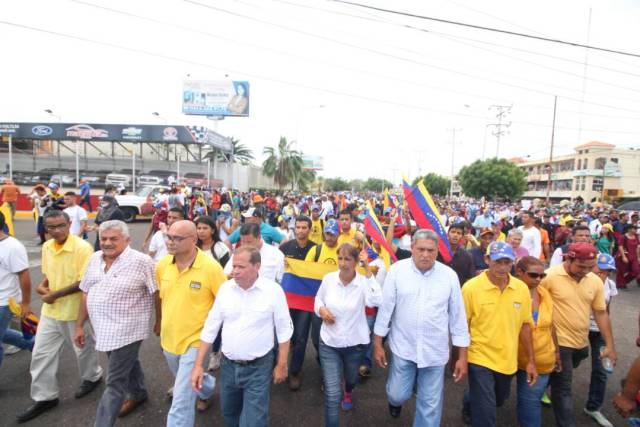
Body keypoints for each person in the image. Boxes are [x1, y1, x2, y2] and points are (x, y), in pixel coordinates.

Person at [374, 229, 470, 426]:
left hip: (434, 353)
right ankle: (396, 401)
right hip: (403, 348)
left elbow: (458, 319)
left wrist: (462, 357)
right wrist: (377, 344)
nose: (425, 255)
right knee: (397, 394)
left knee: (430, 407)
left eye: (430, 250)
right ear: (412, 248)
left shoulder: (449, 276)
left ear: (437, 251)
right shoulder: (397, 271)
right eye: (421, 249)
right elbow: (385, 311)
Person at [17, 210, 103, 423]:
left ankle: (92, 377)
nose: (56, 231)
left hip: (76, 312)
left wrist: (54, 294)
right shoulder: (47, 246)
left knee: (83, 351)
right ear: (45, 228)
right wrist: (43, 286)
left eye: (60, 226)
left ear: (69, 223)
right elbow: (49, 274)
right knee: (40, 354)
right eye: (51, 227)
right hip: (51, 312)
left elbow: (84, 282)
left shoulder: (82, 248)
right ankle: (45, 397)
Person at [191, 246, 293, 427]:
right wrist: (198, 365)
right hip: (228, 367)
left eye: (241, 267)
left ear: (257, 266)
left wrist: (282, 364)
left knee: (254, 421)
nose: (234, 271)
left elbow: (284, 330)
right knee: (229, 413)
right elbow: (210, 328)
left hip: (258, 368)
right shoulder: (225, 290)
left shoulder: (273, 291)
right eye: (233, 266)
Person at [74, 220, 159, 426]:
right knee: (125, 363)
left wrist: (159, 321)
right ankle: (138, 393)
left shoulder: (142, 261)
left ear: (127, 240)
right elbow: (86, 292)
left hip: (127, 329)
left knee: (115, 382)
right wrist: (79, 325)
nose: (107, 243)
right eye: (103, 238)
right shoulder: (95, 258)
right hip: (102, 328)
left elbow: (156, 293)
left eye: (113, 238)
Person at [156, 220, 227, 425]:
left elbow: (224, 302)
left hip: (197, 341)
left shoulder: (211, 268)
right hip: (169, 339)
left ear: (194, 239)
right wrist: (159, 324)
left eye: (177, 238)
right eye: (169, 237)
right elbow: (163, 298)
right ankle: (205, 387)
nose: (171, 242)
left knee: (181, 400)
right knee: (189, 381)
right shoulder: (162, 265)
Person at [461, 241, 537, 427]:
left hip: (507, 360)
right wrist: (460, 358)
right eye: (498, 262)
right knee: (486, 415)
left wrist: (531, 360)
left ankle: (470, 400)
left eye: (507, 262)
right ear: (487, 260)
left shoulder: (521, 289)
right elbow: (461, 328)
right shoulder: (471, 288)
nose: (503, 268)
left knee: (498, 400)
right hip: (479, 357)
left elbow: (525, 326)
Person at [541, 242, 617, 427]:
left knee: (559, 372)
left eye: (590, 267)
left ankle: (534, 390)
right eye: (581, 266)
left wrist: (610, 345)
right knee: (563, 388)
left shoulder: (594, 281)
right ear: (569, 258)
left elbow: (600, 312)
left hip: (580, 343)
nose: (585, 271)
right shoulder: (550, 277)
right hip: (558, 342)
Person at [314, 243, 381, 425]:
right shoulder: (329, 279)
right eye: (340, 258)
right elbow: (318, 299)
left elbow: (376, 299)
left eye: (348, 259)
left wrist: (367, 268)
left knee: (351, 379)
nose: (343, 263)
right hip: (329, 343)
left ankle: (349, 390)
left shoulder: (363, 283)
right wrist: (322, 310)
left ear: (355, 261)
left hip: (355, 345)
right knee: (332, 394)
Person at [514, 256, 560, 427]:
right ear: (519, 272)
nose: (539, 280)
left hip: (541, 357)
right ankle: (470, 403)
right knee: (495, 394)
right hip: (509, 355)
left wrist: (556, 352)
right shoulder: (509, 292)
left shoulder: (544, 294)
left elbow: (551, 325)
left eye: (542, 276)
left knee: (530, 401)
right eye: (534, 275)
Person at [279, 216, 317, 390]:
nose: (301, 230)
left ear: (310, 229)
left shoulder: (316, 249)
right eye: (298, 227)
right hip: (286, 299)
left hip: (306, 301)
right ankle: (280, 364)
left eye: (304, 227)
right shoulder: (285, 247)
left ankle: (295, 371)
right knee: (285, 335)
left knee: (301, 337)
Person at [583, 253, 618, 427]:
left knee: (602, 370)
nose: (602, 275)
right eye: (599, 271)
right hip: (579, 329)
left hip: (598, 331)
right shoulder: (582, 281)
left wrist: (609, 342)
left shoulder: (610, 285)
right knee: (564, 365)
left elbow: (606, 311)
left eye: (606, 272)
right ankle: (541, 391)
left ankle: (593, 407)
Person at [0, 211, 34, 367]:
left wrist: (26, 304)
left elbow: (24, 276)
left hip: (4, 302)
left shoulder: (12, 247)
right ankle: (34, 344)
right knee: (3, 334)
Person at [439, 222, 475, 286]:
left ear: (462, 236)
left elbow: (470, 278)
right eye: (453, 232)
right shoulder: (438, 252)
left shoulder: (467, 256)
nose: (455, 235)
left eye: (459, 233)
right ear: (447, 234)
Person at [616, 224, 640, 289]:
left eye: (636, 229)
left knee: (636, 271)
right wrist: (623, 257)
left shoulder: (636, 236)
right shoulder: (623, 237)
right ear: (629, 229)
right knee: (621, 271)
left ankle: (624, 281)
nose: (636, 230)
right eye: (634, 228)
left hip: (634, 256)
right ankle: (620, 284)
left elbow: (637, 247)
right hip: (625, 255)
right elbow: (620, 247)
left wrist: (638, 257)